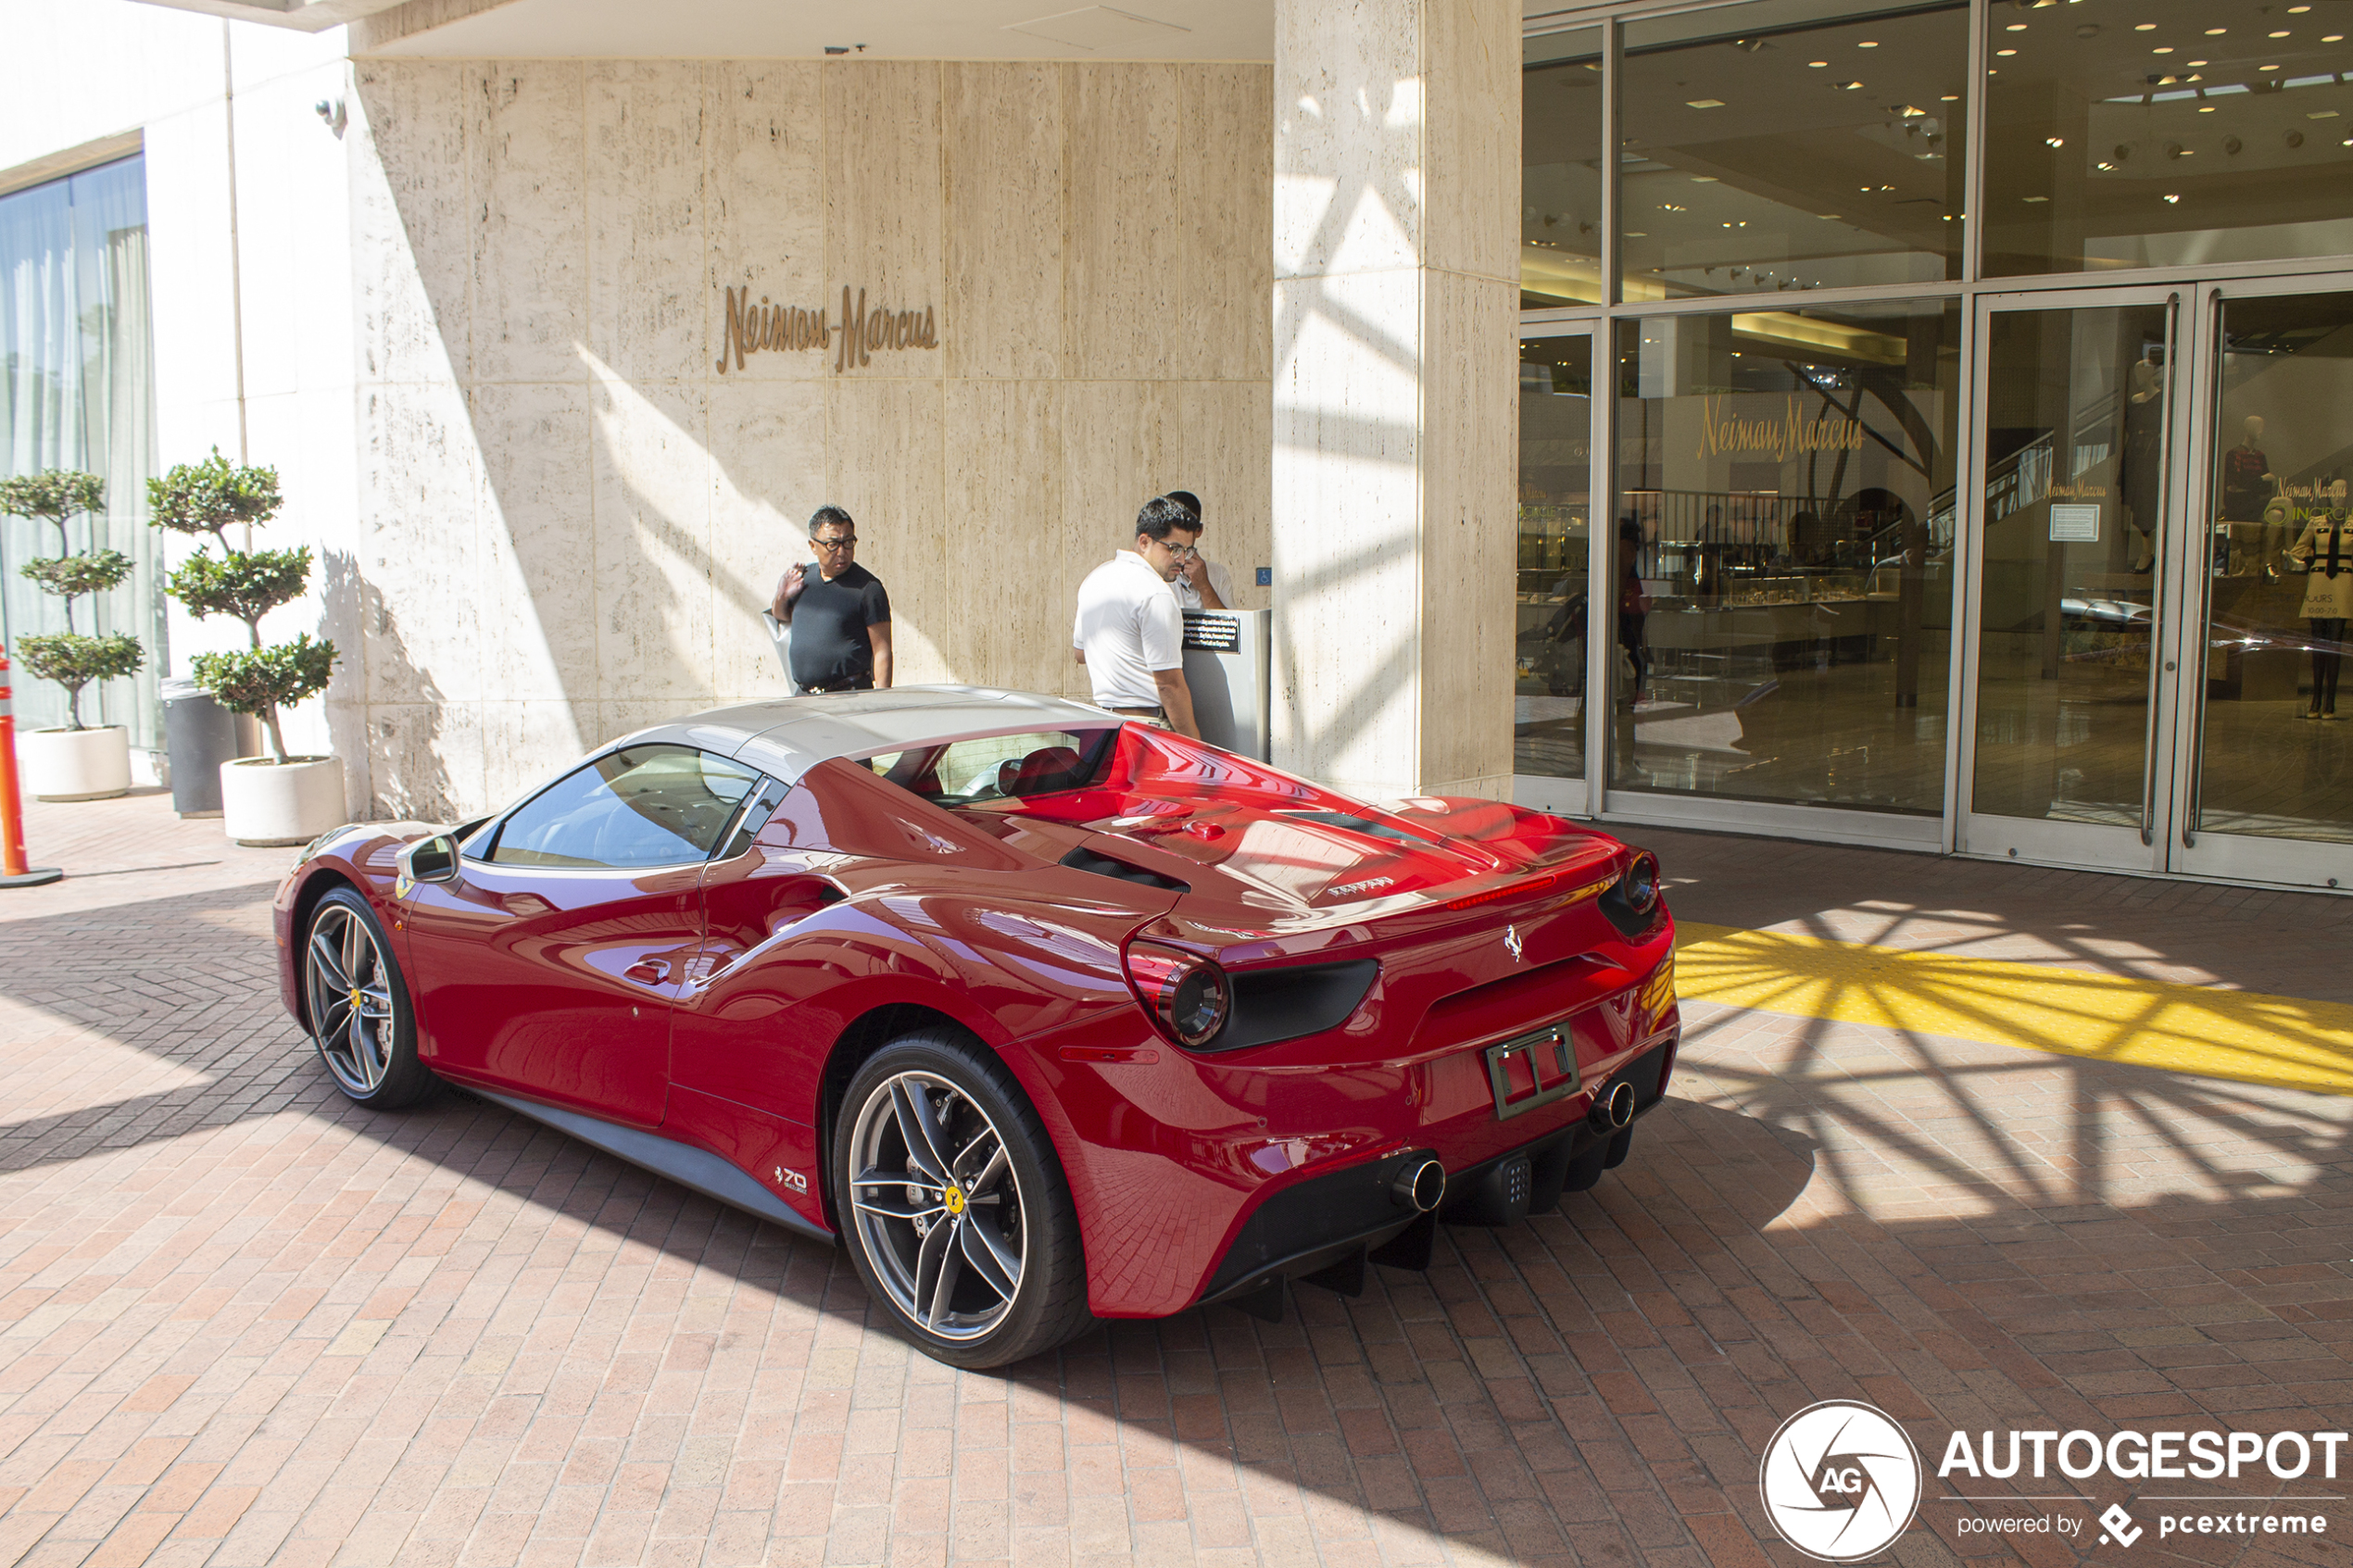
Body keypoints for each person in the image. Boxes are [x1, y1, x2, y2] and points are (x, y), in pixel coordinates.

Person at [1073, 495, 1202, 737]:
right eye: (1174, 549)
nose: (1182, 560)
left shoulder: (1095, 578)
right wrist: (1198, 748)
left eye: (1187, 550)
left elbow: (1080, 653)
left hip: (1103, 727)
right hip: (1148, 729)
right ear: (1144, 542)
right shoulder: (1156, 593)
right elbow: (1169, 684)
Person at [772, 505, 893, 693]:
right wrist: (781, 597)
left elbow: (882, 651)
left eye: (848, 542)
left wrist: (882, 699)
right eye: (832, 544)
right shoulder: (802, 579)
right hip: (804, 696)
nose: (842, 552)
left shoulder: (868, 588)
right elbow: (782, 617)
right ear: (813, 546)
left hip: (850, 696)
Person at [1161, 490, 1234, 610]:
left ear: (1199, 530)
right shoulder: (1153, 572)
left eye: (1186, 528)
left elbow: (1230, 626)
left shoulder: (1219, 574)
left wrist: (1205, 586)